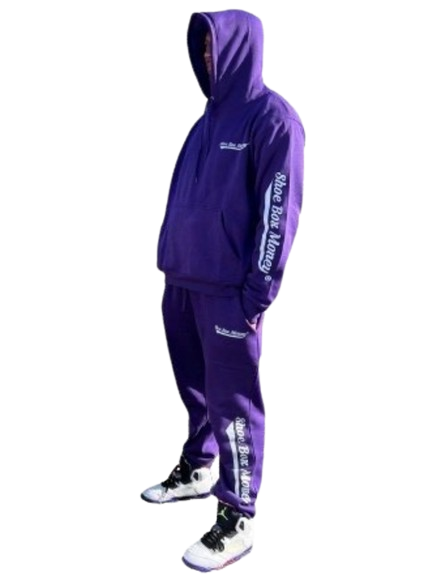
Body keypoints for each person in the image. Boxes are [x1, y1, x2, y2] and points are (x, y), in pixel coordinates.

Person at [140, 8, 306, 573]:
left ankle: (238, 514)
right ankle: (198, 467)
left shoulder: (274, 120)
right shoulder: (202, 125)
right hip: (183, 280)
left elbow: (279, 211)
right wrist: (170, 258)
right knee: (196, 391)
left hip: (230, 292)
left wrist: (258, 294)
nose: (208, 57)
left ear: (242, 48)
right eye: (202, 47)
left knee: (234, 402)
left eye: (215, 46)